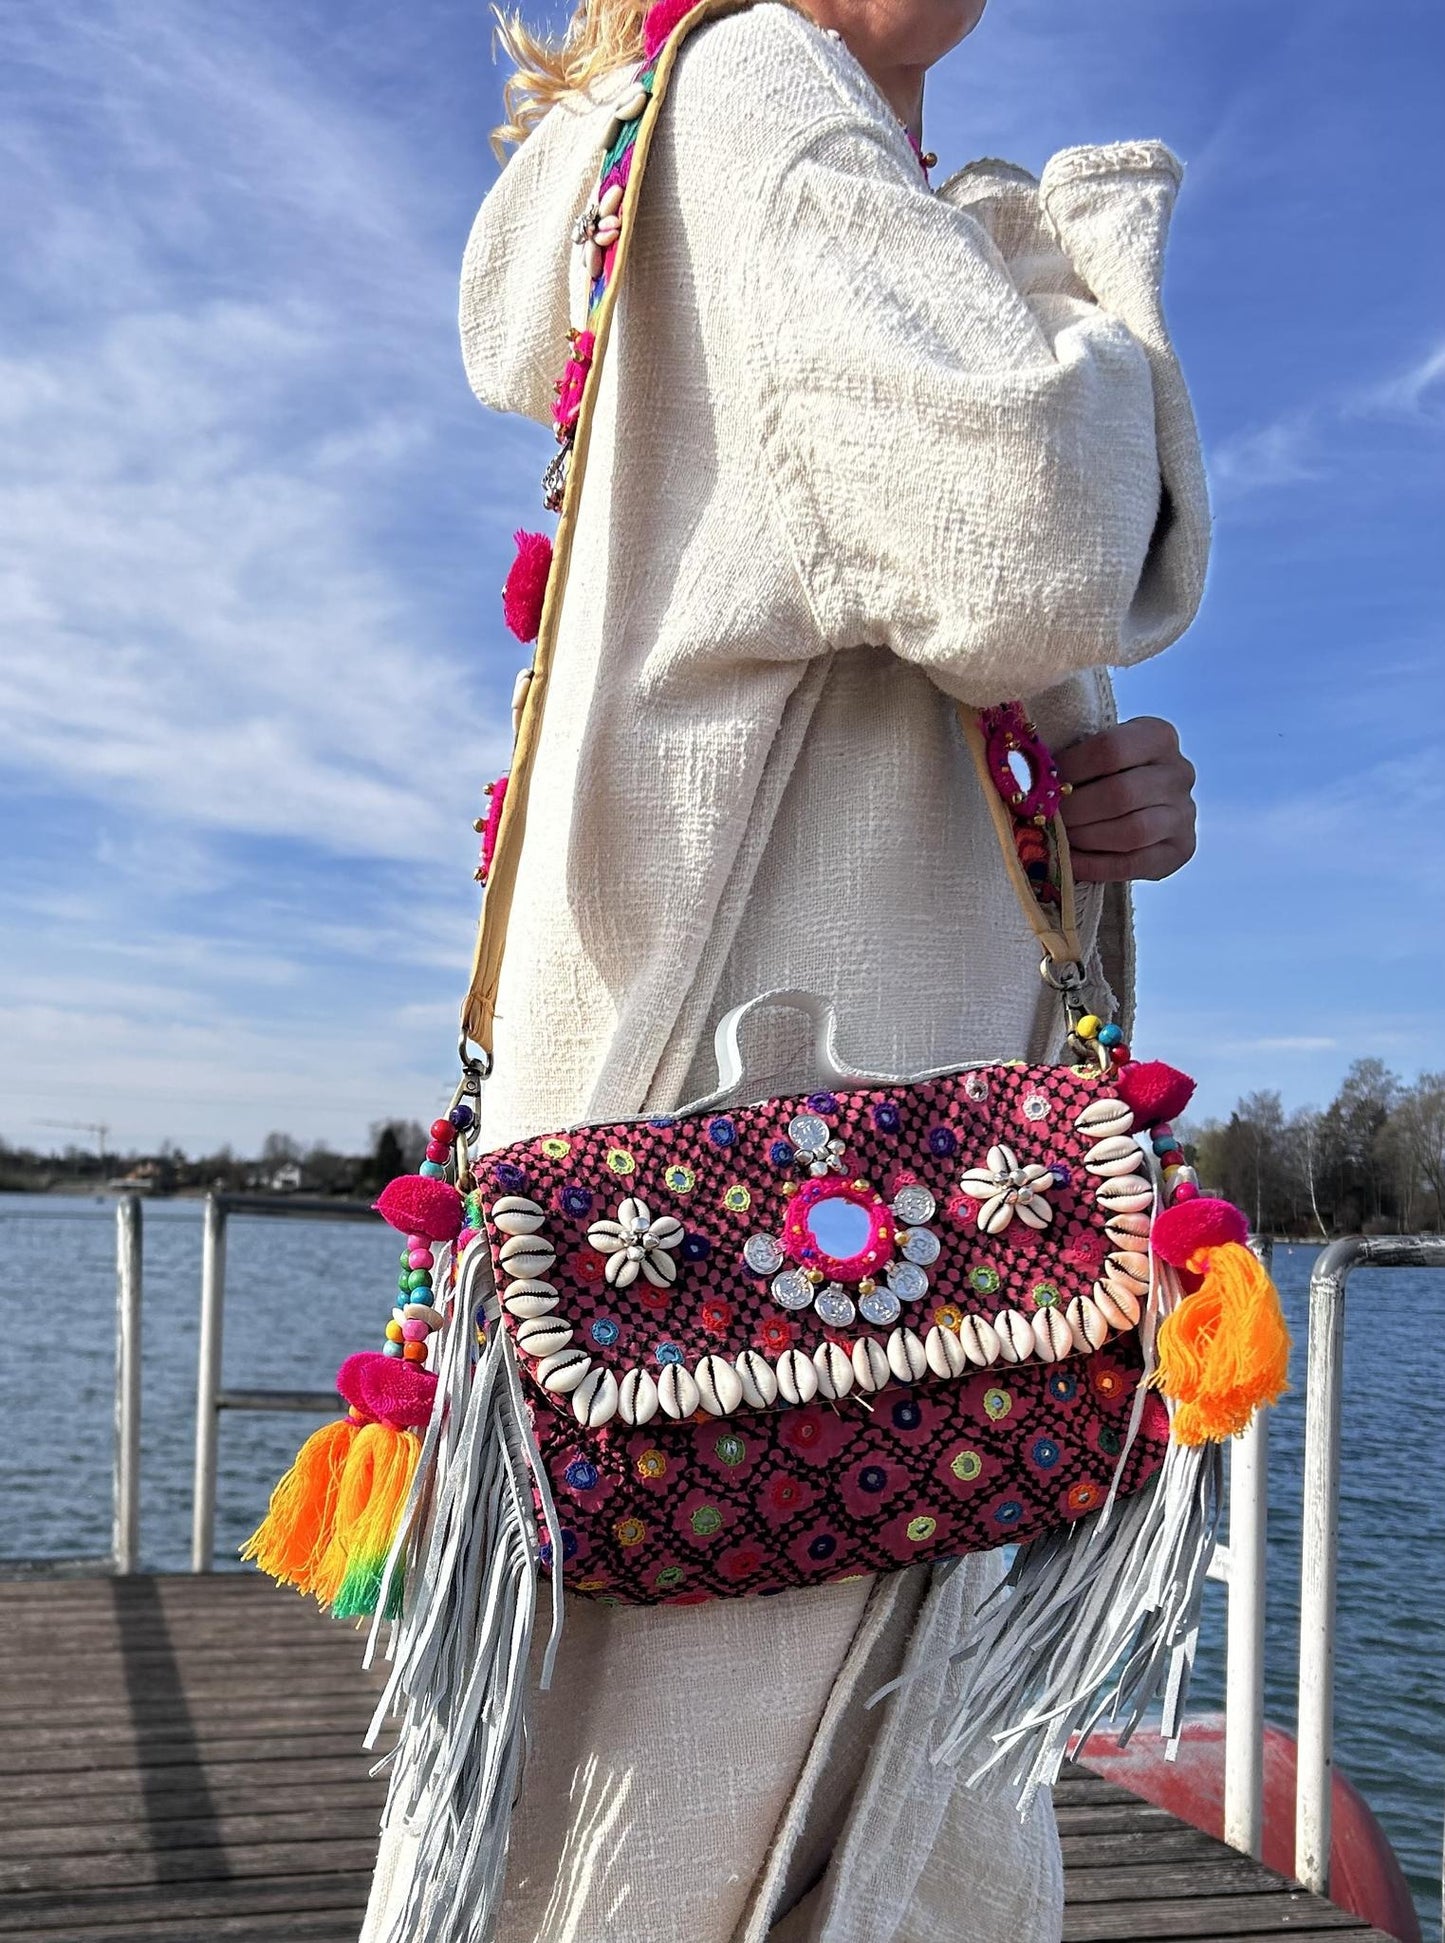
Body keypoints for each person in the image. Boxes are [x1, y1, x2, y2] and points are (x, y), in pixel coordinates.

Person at [361, 0, 1207, 1936]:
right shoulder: (760, 88)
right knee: (740, 1846)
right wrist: (1086, 249)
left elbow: (924, 630)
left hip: (758, 1140)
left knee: (639, 1822)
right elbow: (1041, 543)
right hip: (797, 1177)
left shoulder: (737, 157)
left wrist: (1079, 813)